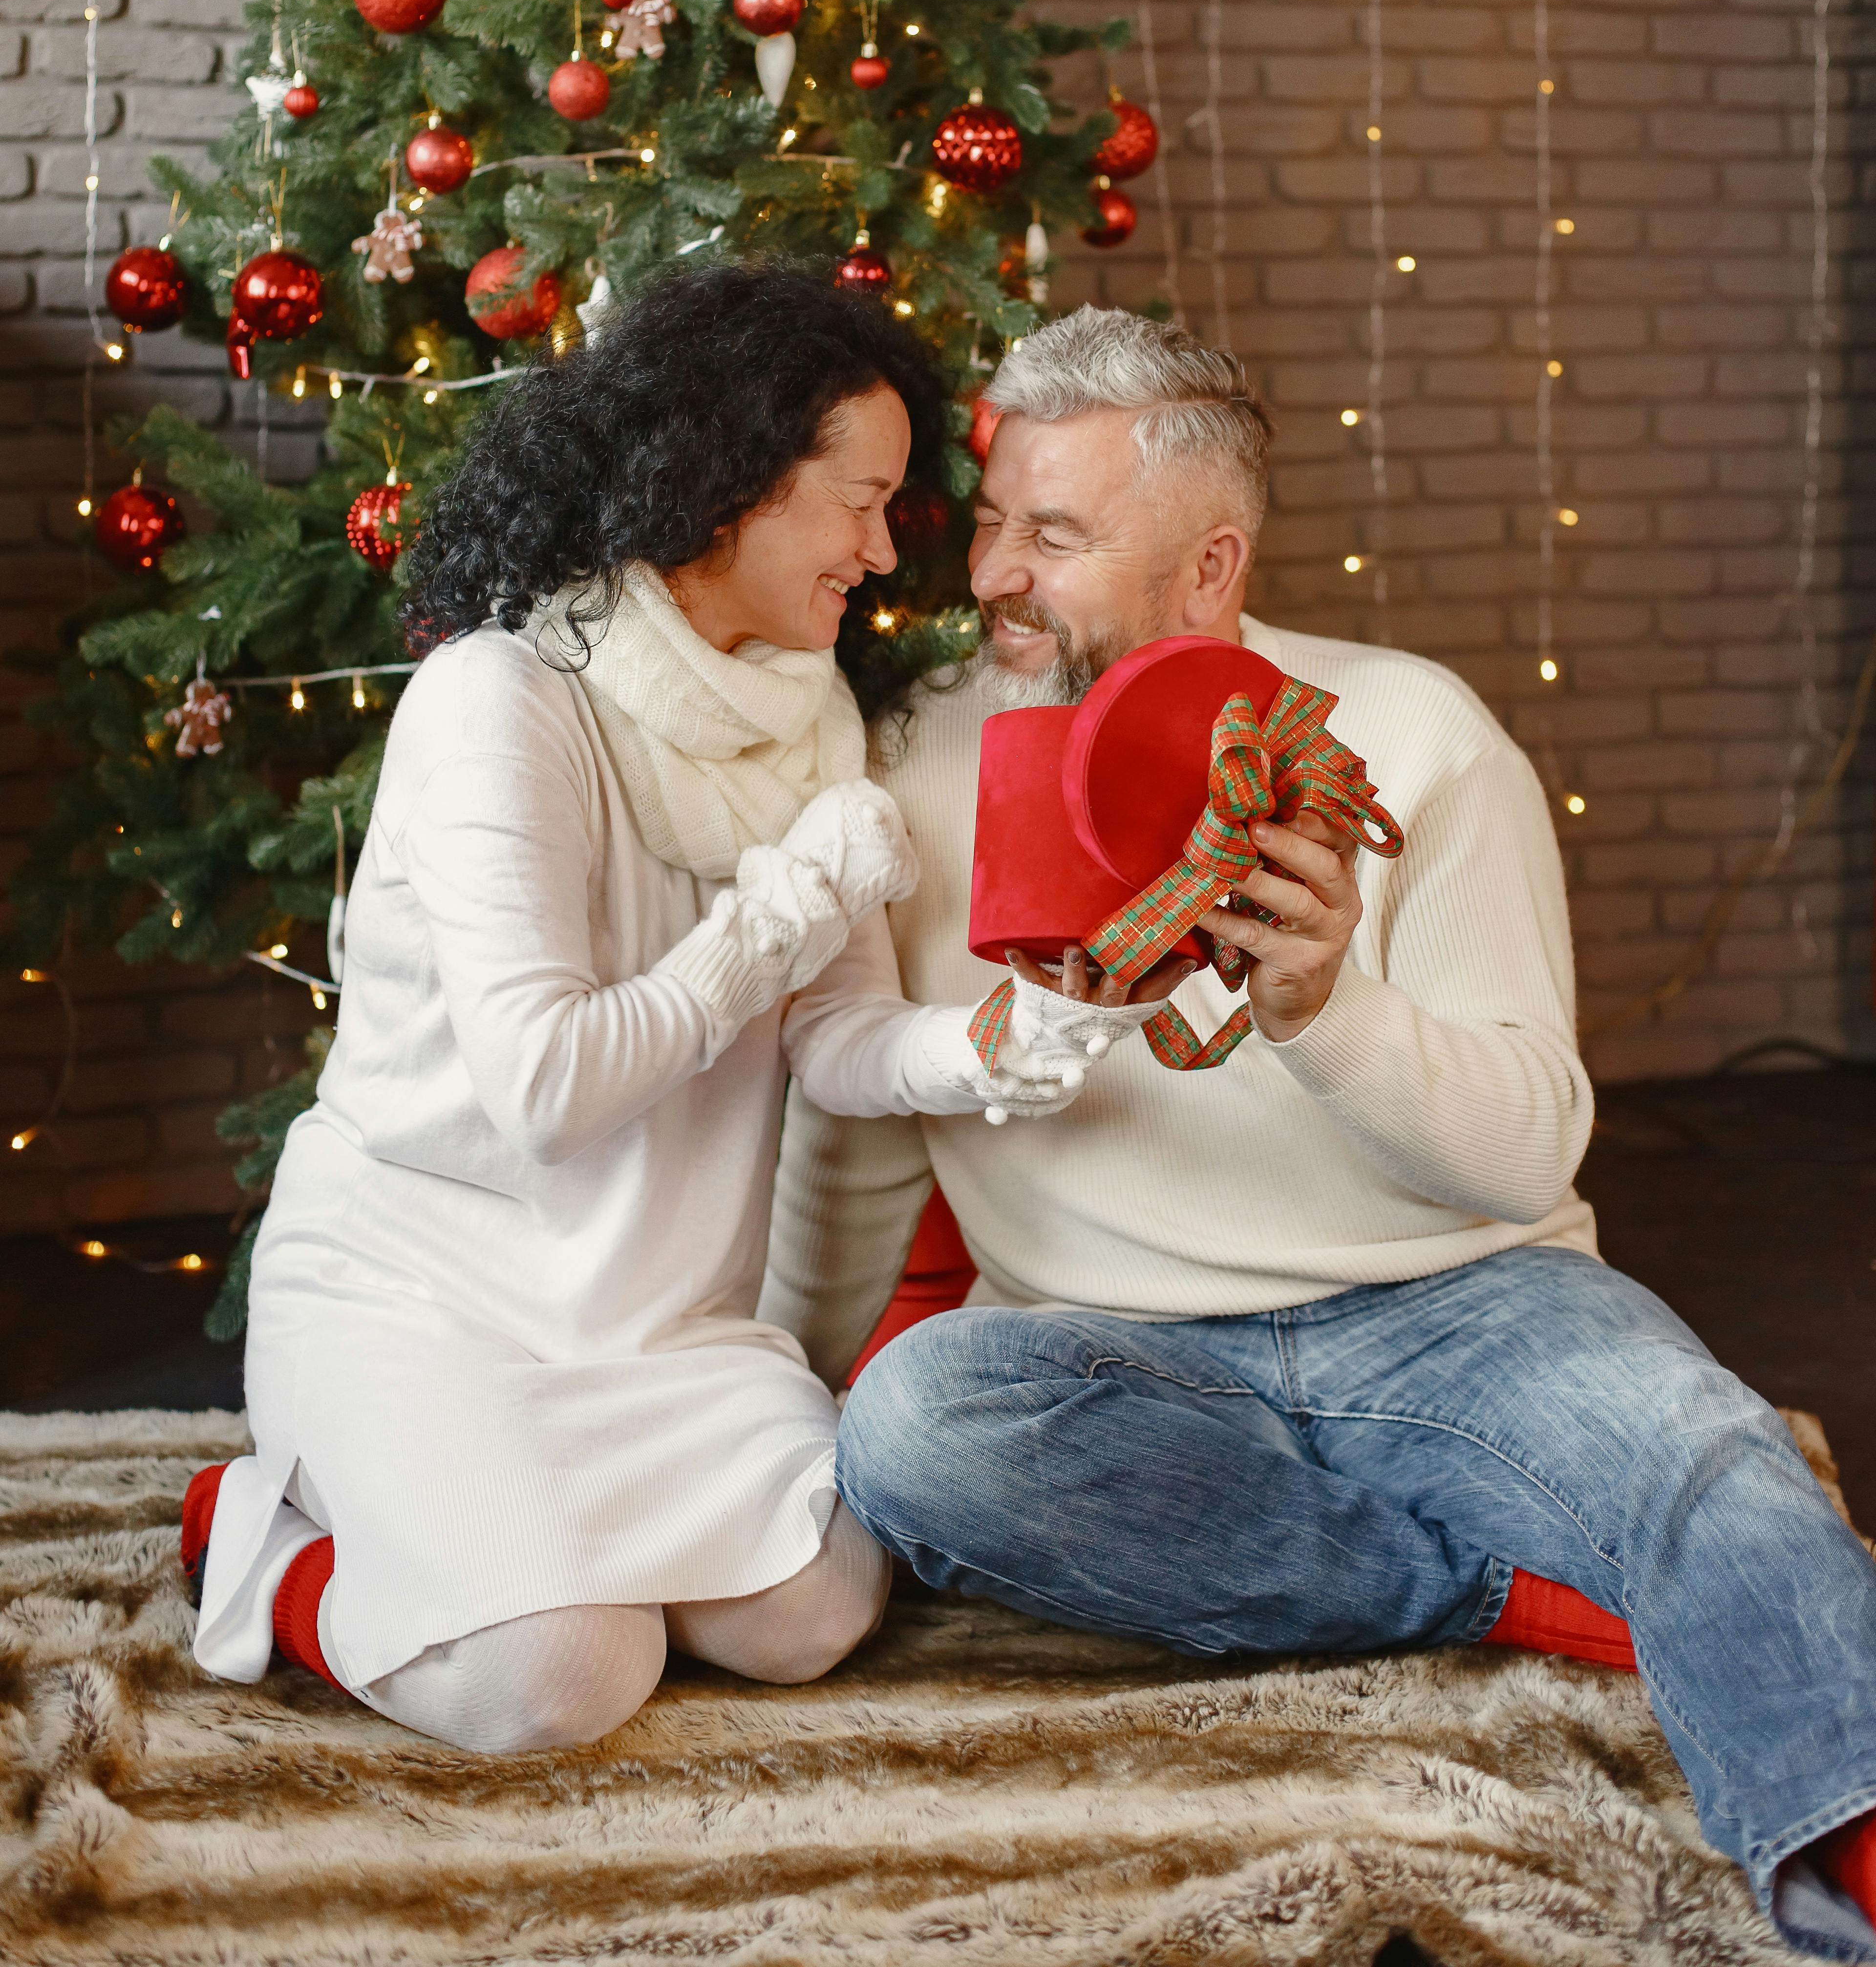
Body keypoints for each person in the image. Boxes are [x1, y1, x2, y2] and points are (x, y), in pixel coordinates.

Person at [765, 305, 1876, 1962]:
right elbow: (859, 1112)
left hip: (1461, 1309)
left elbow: (1527, 1156)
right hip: (1108, 1352)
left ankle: (1848, 1882)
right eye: (994, 518)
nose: (996, 570)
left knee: (1707, 1455)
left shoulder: (1416, 735)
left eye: (1057, 537)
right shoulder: (903, 750)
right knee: (916, 1431)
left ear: (1210, 572)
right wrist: (779, 1368)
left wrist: (1330, 1012)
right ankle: (1481, 1589)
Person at [184, 263, 1091, 1755]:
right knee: (556, 1681)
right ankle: (272, 1548)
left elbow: (838, 1037)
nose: (883, 548)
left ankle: (509, 1541)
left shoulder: (809, 716)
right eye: (856, 500)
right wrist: (780, 910)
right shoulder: (503, 701)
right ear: (722, 483)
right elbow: (548, 1087)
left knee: (808, 1616)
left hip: (655, 1317)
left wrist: (994, 1048)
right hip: (426, 1295)